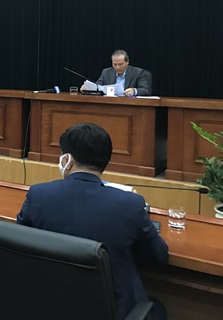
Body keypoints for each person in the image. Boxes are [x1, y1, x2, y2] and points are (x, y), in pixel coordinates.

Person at [16, 123, 168, 320]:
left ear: (67, 159)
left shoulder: (38, 195)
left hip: (48, 305)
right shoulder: (131, 204)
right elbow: (158, 257)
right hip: (111, 311)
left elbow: (17, 245)